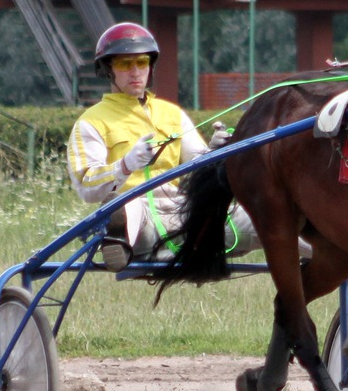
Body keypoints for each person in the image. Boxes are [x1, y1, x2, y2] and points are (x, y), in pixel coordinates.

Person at [69, 22, 254, 269]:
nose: (135, 72)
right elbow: (86, 186)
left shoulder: (172, 114)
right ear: (107, 69)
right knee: (124, 206)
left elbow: (199, 165)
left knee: (265, 215)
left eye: (142, 62)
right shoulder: (90, 122)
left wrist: (216, 152)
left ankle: (318, 246)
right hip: (140, 217)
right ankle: (120, 242)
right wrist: (125, 165)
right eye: (125, 64)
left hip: (186, 215)